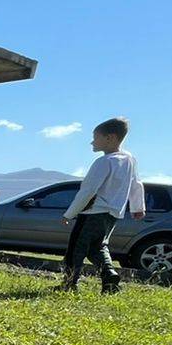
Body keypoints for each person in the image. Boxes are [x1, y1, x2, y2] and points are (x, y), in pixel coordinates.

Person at [61, 117, 145, 294]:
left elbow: (88, 190)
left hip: (93, 212)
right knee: (98, 247)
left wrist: (70, 213)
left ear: (110, 138)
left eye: (95, 137)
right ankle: (109, 275)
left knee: (76, 248)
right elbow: (136, 184)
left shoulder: (104, 162)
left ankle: (69, 283)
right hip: (113, 214)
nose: (92, 142)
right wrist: (138, 207)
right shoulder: (129, 159)